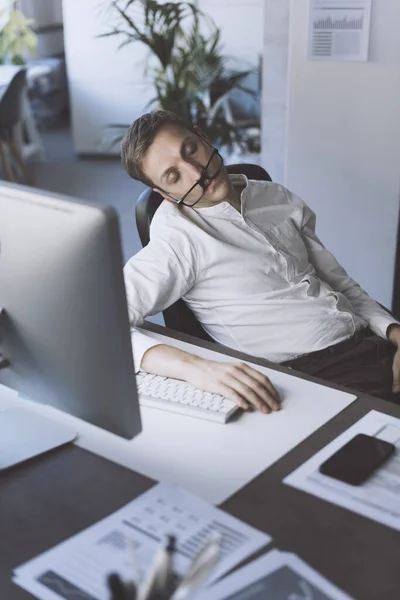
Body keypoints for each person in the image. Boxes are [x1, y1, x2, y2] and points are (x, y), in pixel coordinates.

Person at [122, 110, 400, 414]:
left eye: (190, 150)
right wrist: (196, 368)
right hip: (311, 376)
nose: (196, 171)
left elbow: (340, 284)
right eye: (174, 176)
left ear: (202, 136)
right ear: (166, 194)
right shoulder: (178, 241)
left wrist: (394, 332)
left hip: (371, 345)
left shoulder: (275, 197)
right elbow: (103, 323)